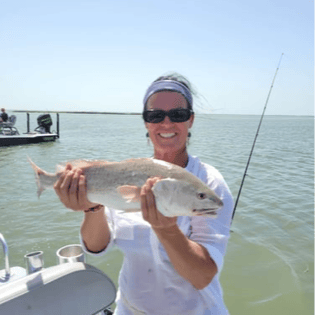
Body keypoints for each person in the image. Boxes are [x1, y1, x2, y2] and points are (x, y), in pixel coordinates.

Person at [54, 73, 234, 315]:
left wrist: (167, 229)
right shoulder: (126, 173)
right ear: (146, 122)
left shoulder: (208, 182)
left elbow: (202, 277)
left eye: (178, 114)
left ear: (190, 120)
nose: (167, 123)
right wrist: (91, 206)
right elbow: (96, 247)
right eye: (155, 115)